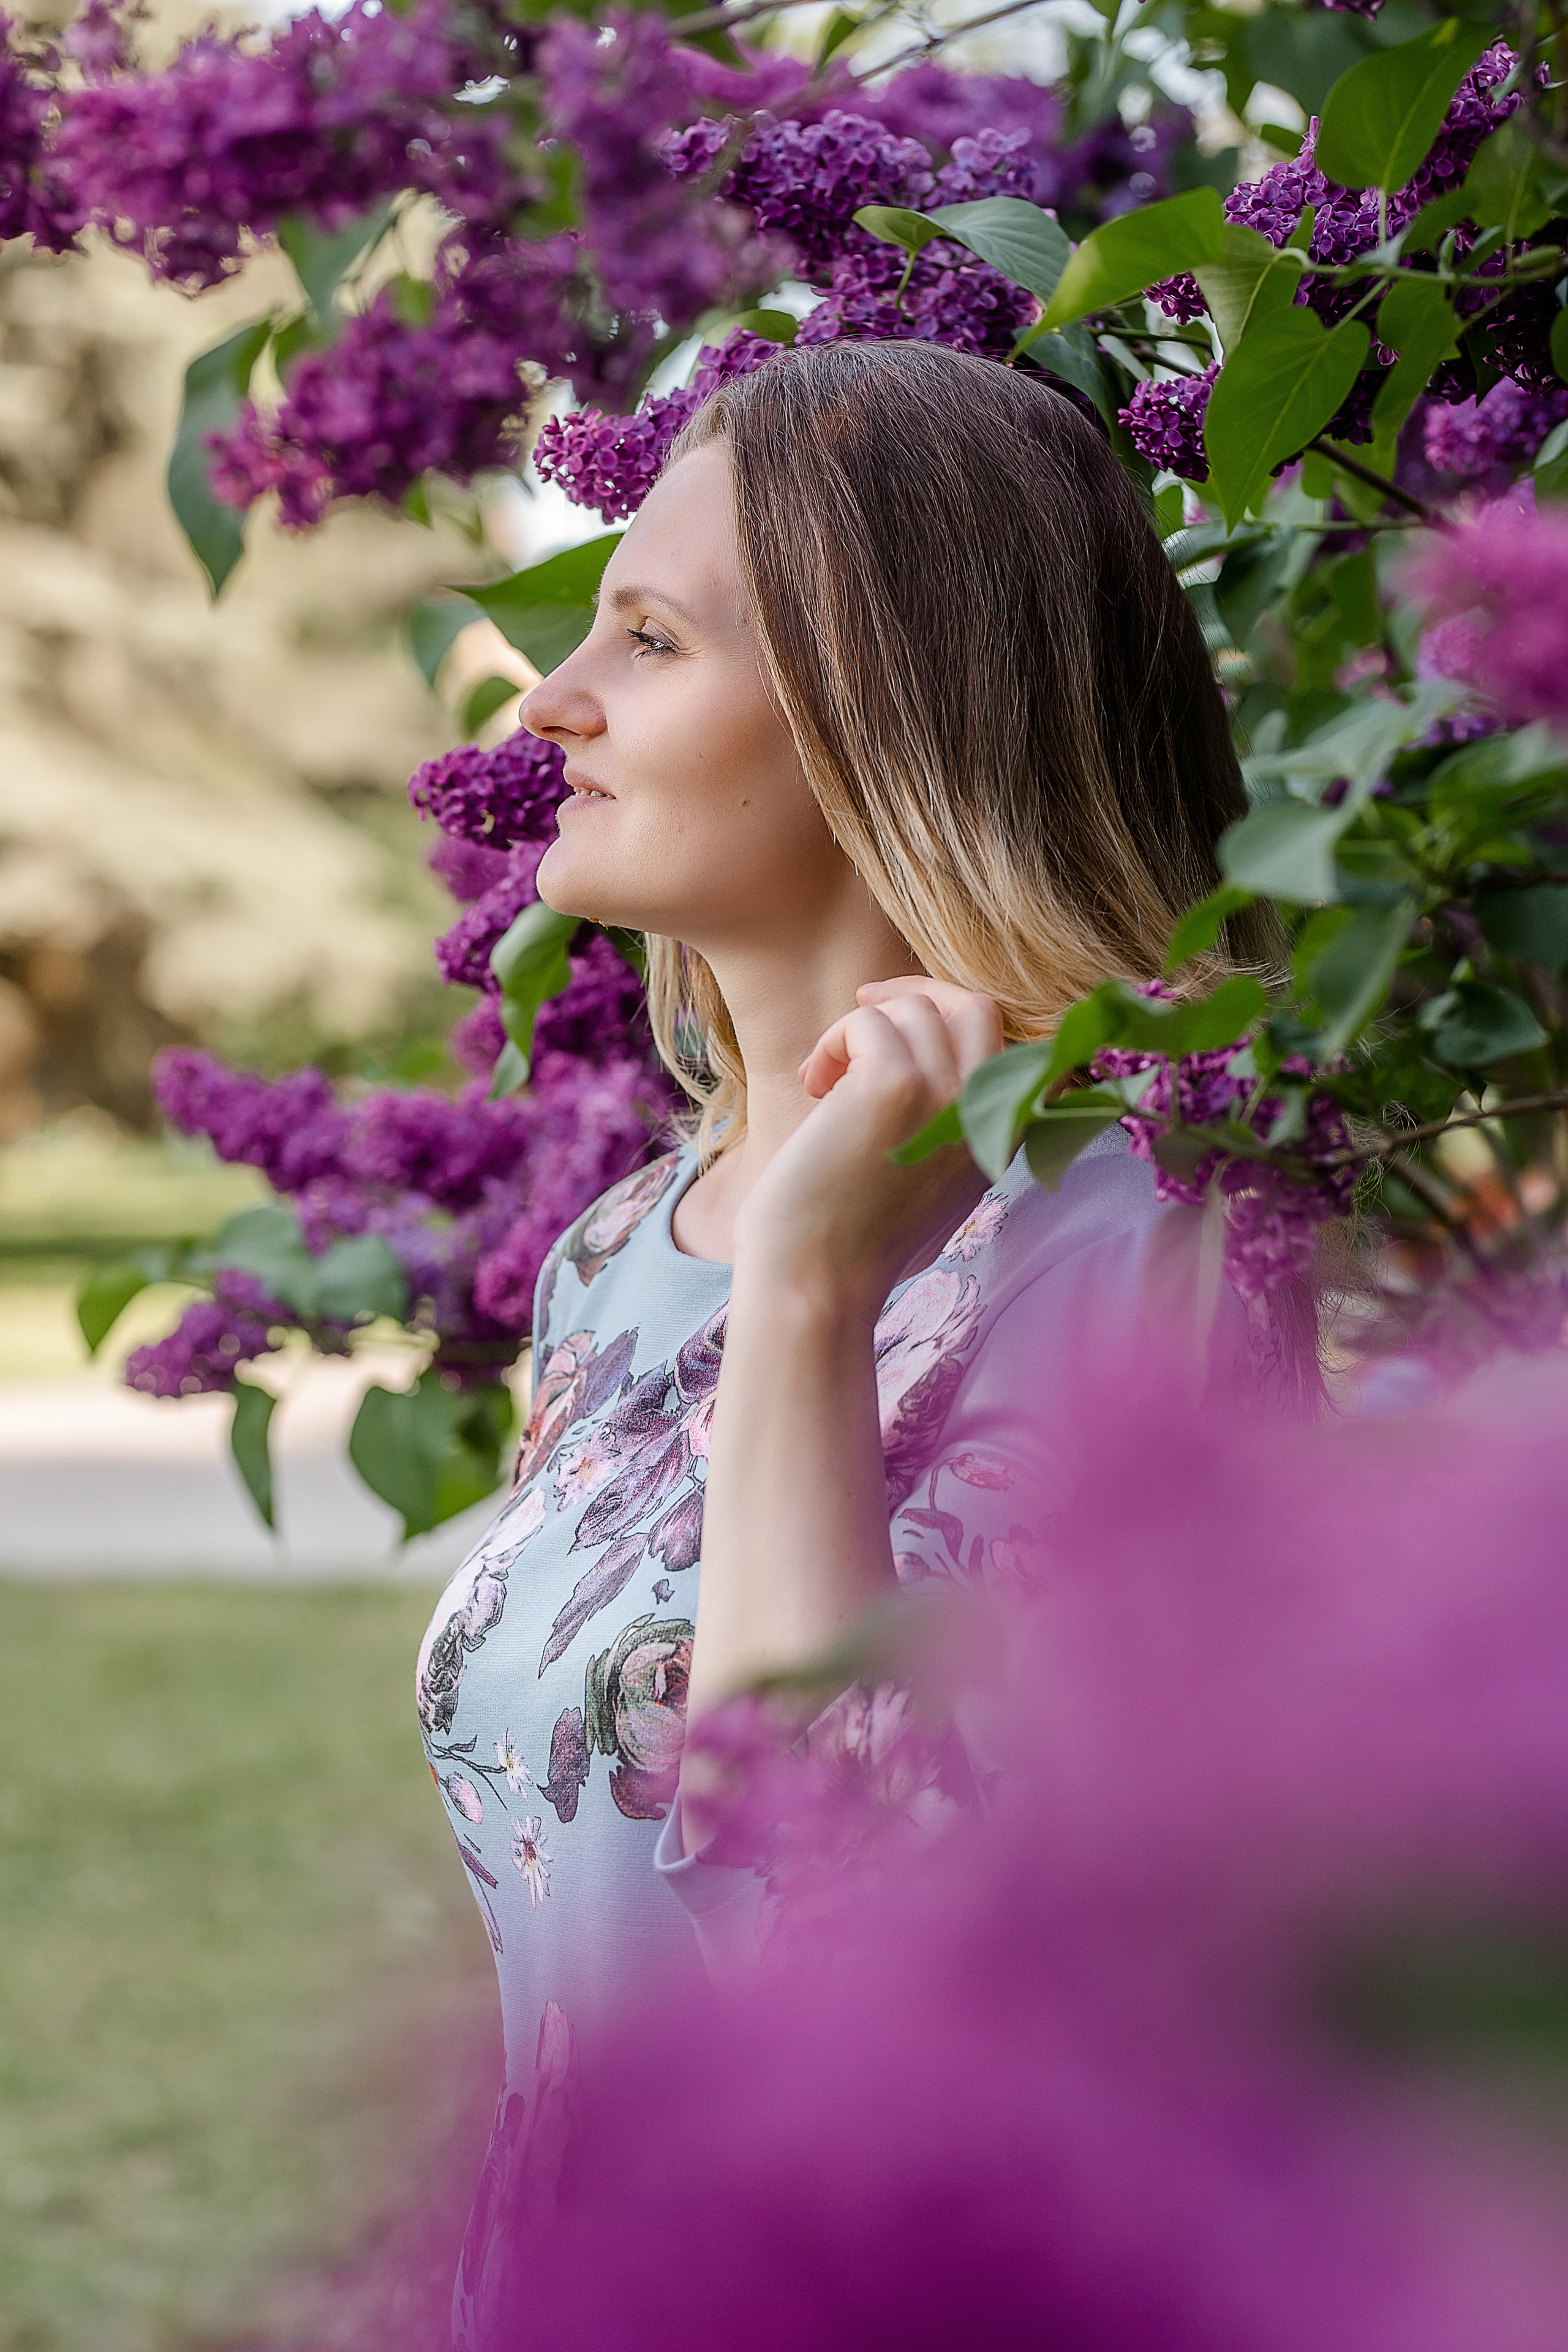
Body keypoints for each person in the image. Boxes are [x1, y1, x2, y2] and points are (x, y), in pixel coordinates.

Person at [415, 339, 1270, 2342]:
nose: (551, 698)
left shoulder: (1152, 1245)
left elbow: (849, 1892)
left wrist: (811, 1296)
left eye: (646, 637)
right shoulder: (620, 1254)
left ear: (885, 715)